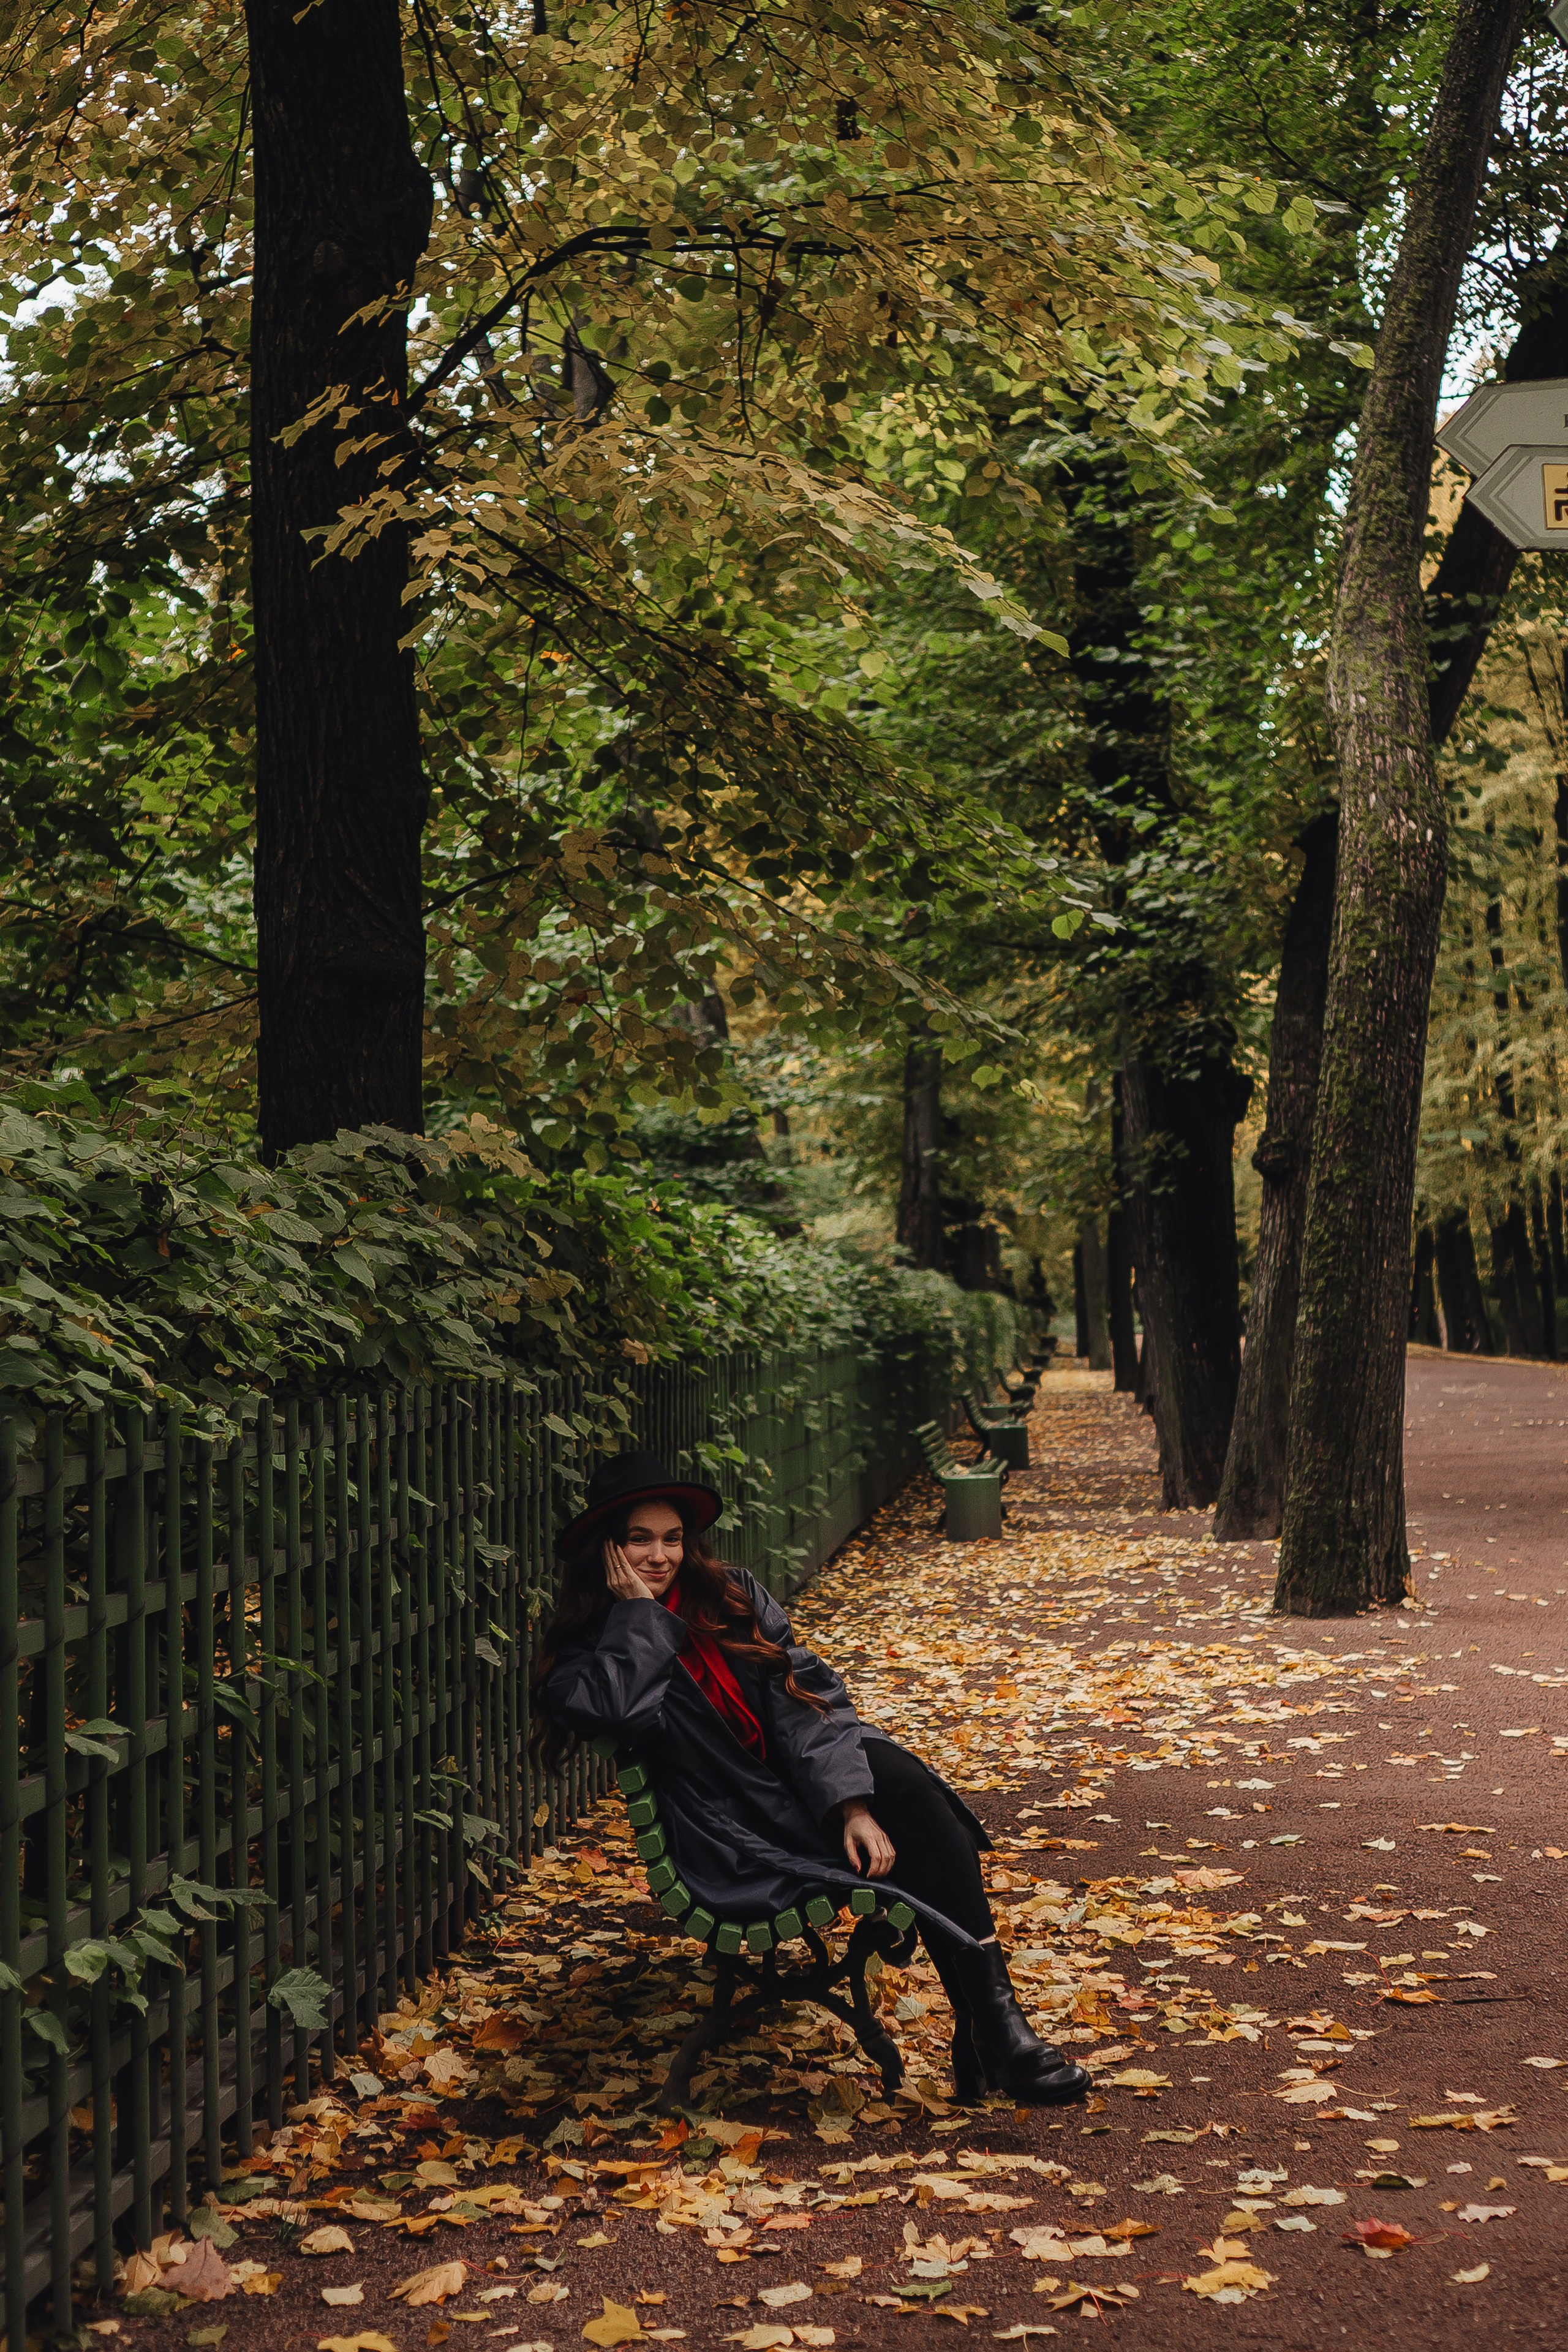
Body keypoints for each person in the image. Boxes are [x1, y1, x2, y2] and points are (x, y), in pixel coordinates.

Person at [531, 1450, 1090, 2106]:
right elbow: (619, 1711)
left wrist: (851, 1805)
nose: (659, 1557)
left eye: (673, 1539)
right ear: (608, 1550)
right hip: (740, 1821)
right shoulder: (589, 1648)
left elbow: (805, 1700)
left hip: (806, 1781)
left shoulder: (730, 1595)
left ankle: (996, 2026)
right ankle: (993, 2034)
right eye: (640, 1540)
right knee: (927, 1830)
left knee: (912, 1795)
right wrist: (638, 1616)